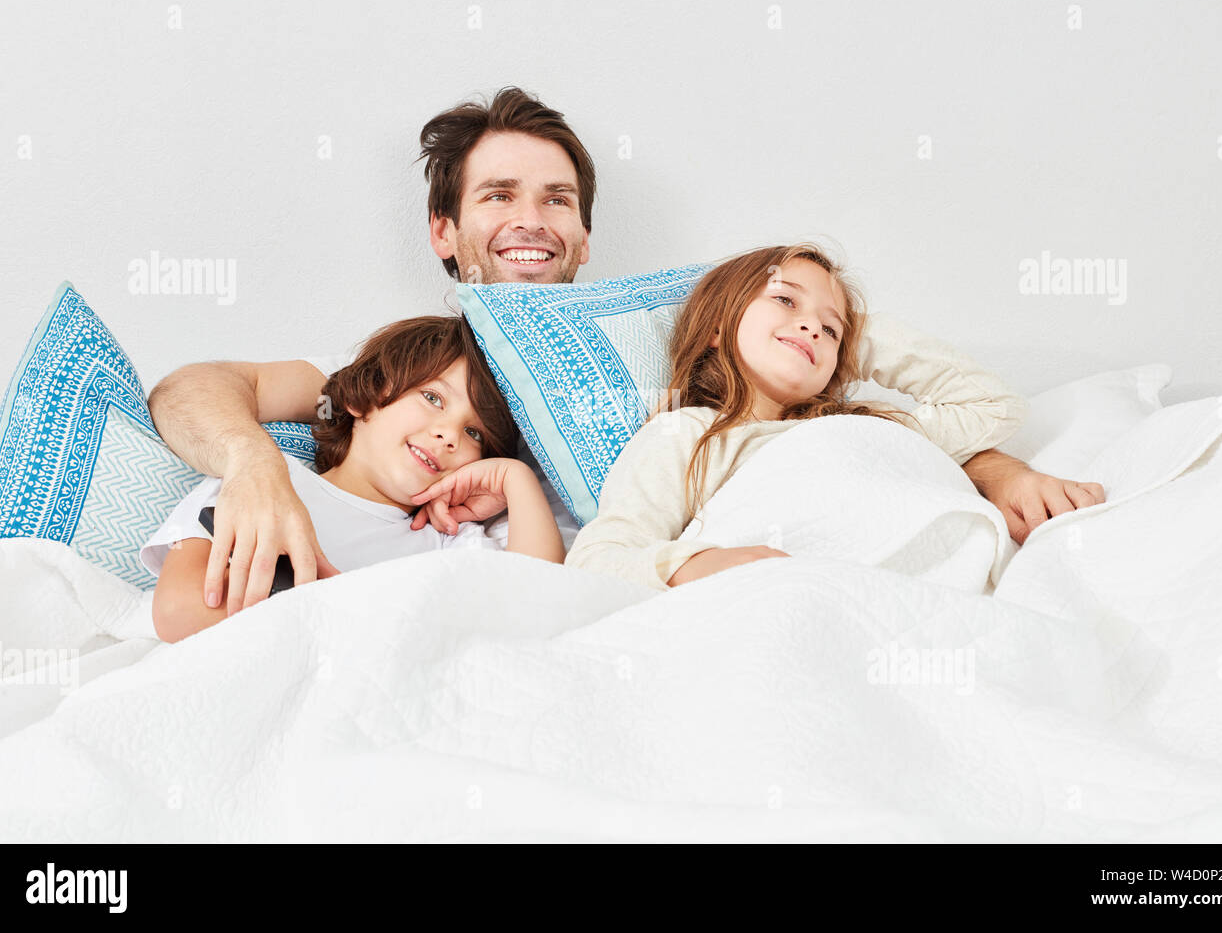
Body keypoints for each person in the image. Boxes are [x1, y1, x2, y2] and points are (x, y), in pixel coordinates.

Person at [147, 86, 1103, 616]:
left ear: (588, 239)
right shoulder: (389, 380)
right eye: (498, 197)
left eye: (557, 200)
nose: (532, 221)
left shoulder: (668, 354)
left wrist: (989, 464)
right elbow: (191, 388)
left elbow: (813, 407)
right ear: (445, 233)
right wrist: (252, 462)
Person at [564, 243, 1105, 590]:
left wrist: (856, 334)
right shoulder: (689, 432)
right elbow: (600, 556)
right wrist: (690, 565)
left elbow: (994, 405)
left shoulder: (869, 428)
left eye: (831, 329)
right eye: (785, 301)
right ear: (716, 325)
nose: (812, 329)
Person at [141, 316, 564, 642]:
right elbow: (180, 609)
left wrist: (516, 479)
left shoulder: (450, 540)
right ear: (364, 397)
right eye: (432, 398)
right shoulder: (269, 484)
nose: (448, 435)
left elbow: (534, 607)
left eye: (474, 433)